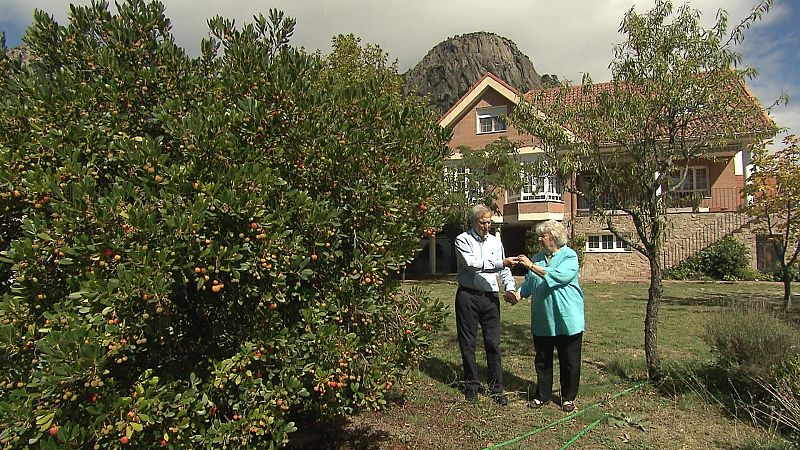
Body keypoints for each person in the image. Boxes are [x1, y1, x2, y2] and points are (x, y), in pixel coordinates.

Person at [454, 204, 518, 405]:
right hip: (468, 296)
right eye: (483, 223)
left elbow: (504, 271)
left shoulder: (495, 242)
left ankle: (496, 388)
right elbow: (472, 265)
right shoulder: (462, 240)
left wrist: (509, 288)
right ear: (474, 222)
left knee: (493, 344)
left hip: (490, 297)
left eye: (489, 222)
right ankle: (471, 386)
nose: (487, 226)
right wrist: (502, 264)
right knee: (468, 343)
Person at [518, 219, 585, 413]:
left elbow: (557, 276)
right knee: (543, 360)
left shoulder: (569, 256)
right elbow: (530, 284)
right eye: (539, 235)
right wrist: (517, 294)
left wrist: (531, 266)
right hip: (543, 319)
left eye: (543, 235)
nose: (539, 239)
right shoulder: (537, 258)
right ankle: (542, 395)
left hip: (567, 320)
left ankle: (568, 397)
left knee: (570, 361)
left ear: (554, 238)